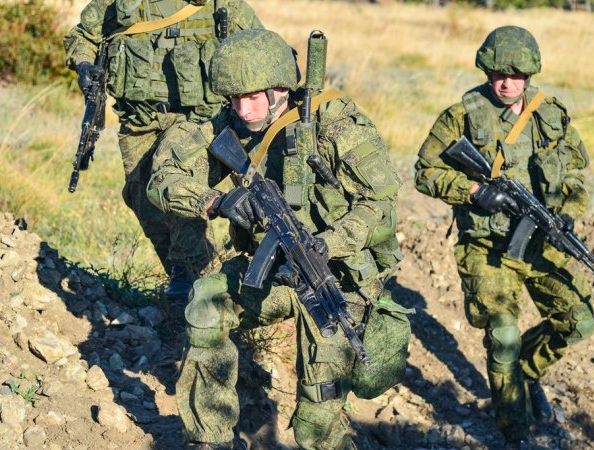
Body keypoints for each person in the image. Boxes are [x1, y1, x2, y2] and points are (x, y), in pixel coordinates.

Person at [147, 29, 410, 449]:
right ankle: (209, 437)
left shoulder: (335, 123)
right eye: (234, 98)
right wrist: (215, 200)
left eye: (252, 97)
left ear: (281, 89)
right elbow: (163, 176)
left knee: (315, 428)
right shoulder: (227, 123)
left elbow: (379, 203)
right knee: (206, 305)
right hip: (269, 269)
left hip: (333, 279)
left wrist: (329, 243)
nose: (243, 109)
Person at [414, 26, 594, 449]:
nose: (507, 83)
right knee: (503, 336)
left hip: (540, 241)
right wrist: (474, 191)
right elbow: (425, 172)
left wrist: (568, 215)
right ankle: (515, 430)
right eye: (499, 73)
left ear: (530, 75)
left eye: (516, 76)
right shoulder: (461, 116)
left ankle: (525, 374)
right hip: (487, 247)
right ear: (487, 70)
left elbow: (575, 175)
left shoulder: (551, 116)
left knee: (580, 320)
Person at [63, 0, 264, 303]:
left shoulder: (219, 4)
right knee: (140, 196)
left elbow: (260, 47)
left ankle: (200, 285)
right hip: (139, 121)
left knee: (174, 185)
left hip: (197, 121)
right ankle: (189, 273)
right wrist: (84, 64)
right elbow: (83, 36)